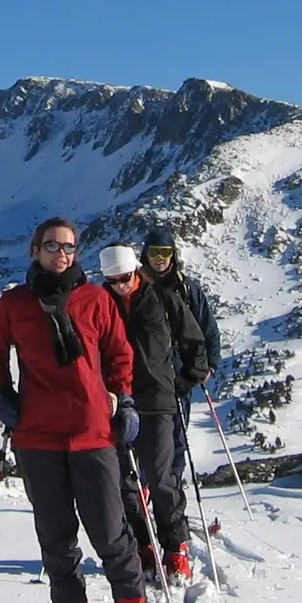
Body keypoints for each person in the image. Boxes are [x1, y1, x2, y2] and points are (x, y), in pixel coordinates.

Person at [0, 217, 153, 603]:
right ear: (35, 250)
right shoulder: (14, 304)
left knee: (112, 535)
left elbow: (119, 352)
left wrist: (125, 398)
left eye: (70, 247)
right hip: (37, 436)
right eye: (53, 245)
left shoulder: (95, 300)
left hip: (93, 433)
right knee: (56, 539)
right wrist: (2, 392)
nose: (62, 254)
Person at [98, 244, 209, 582]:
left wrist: (188, 377)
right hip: (117, 401)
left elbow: (193, 338)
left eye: (125, 278)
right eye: (113, 280)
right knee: (124, 481)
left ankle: (175, 546)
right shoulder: (100, 304)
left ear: (137, 271)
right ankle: (142, 544)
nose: (120, 286)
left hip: (159, 400)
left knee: (161, 477)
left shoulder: (162, 298)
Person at [142, 227, 221, 494]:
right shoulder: (137, 287)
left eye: (165, 253)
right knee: (145, 440)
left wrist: (209, 364)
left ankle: (171, 495)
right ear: (146, 254)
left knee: (177, 440)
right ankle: (145, 496)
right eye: (155, 252)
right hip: (145, 378)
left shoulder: (187, 288)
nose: (160, 258)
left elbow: (207, 327)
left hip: (180, 378)